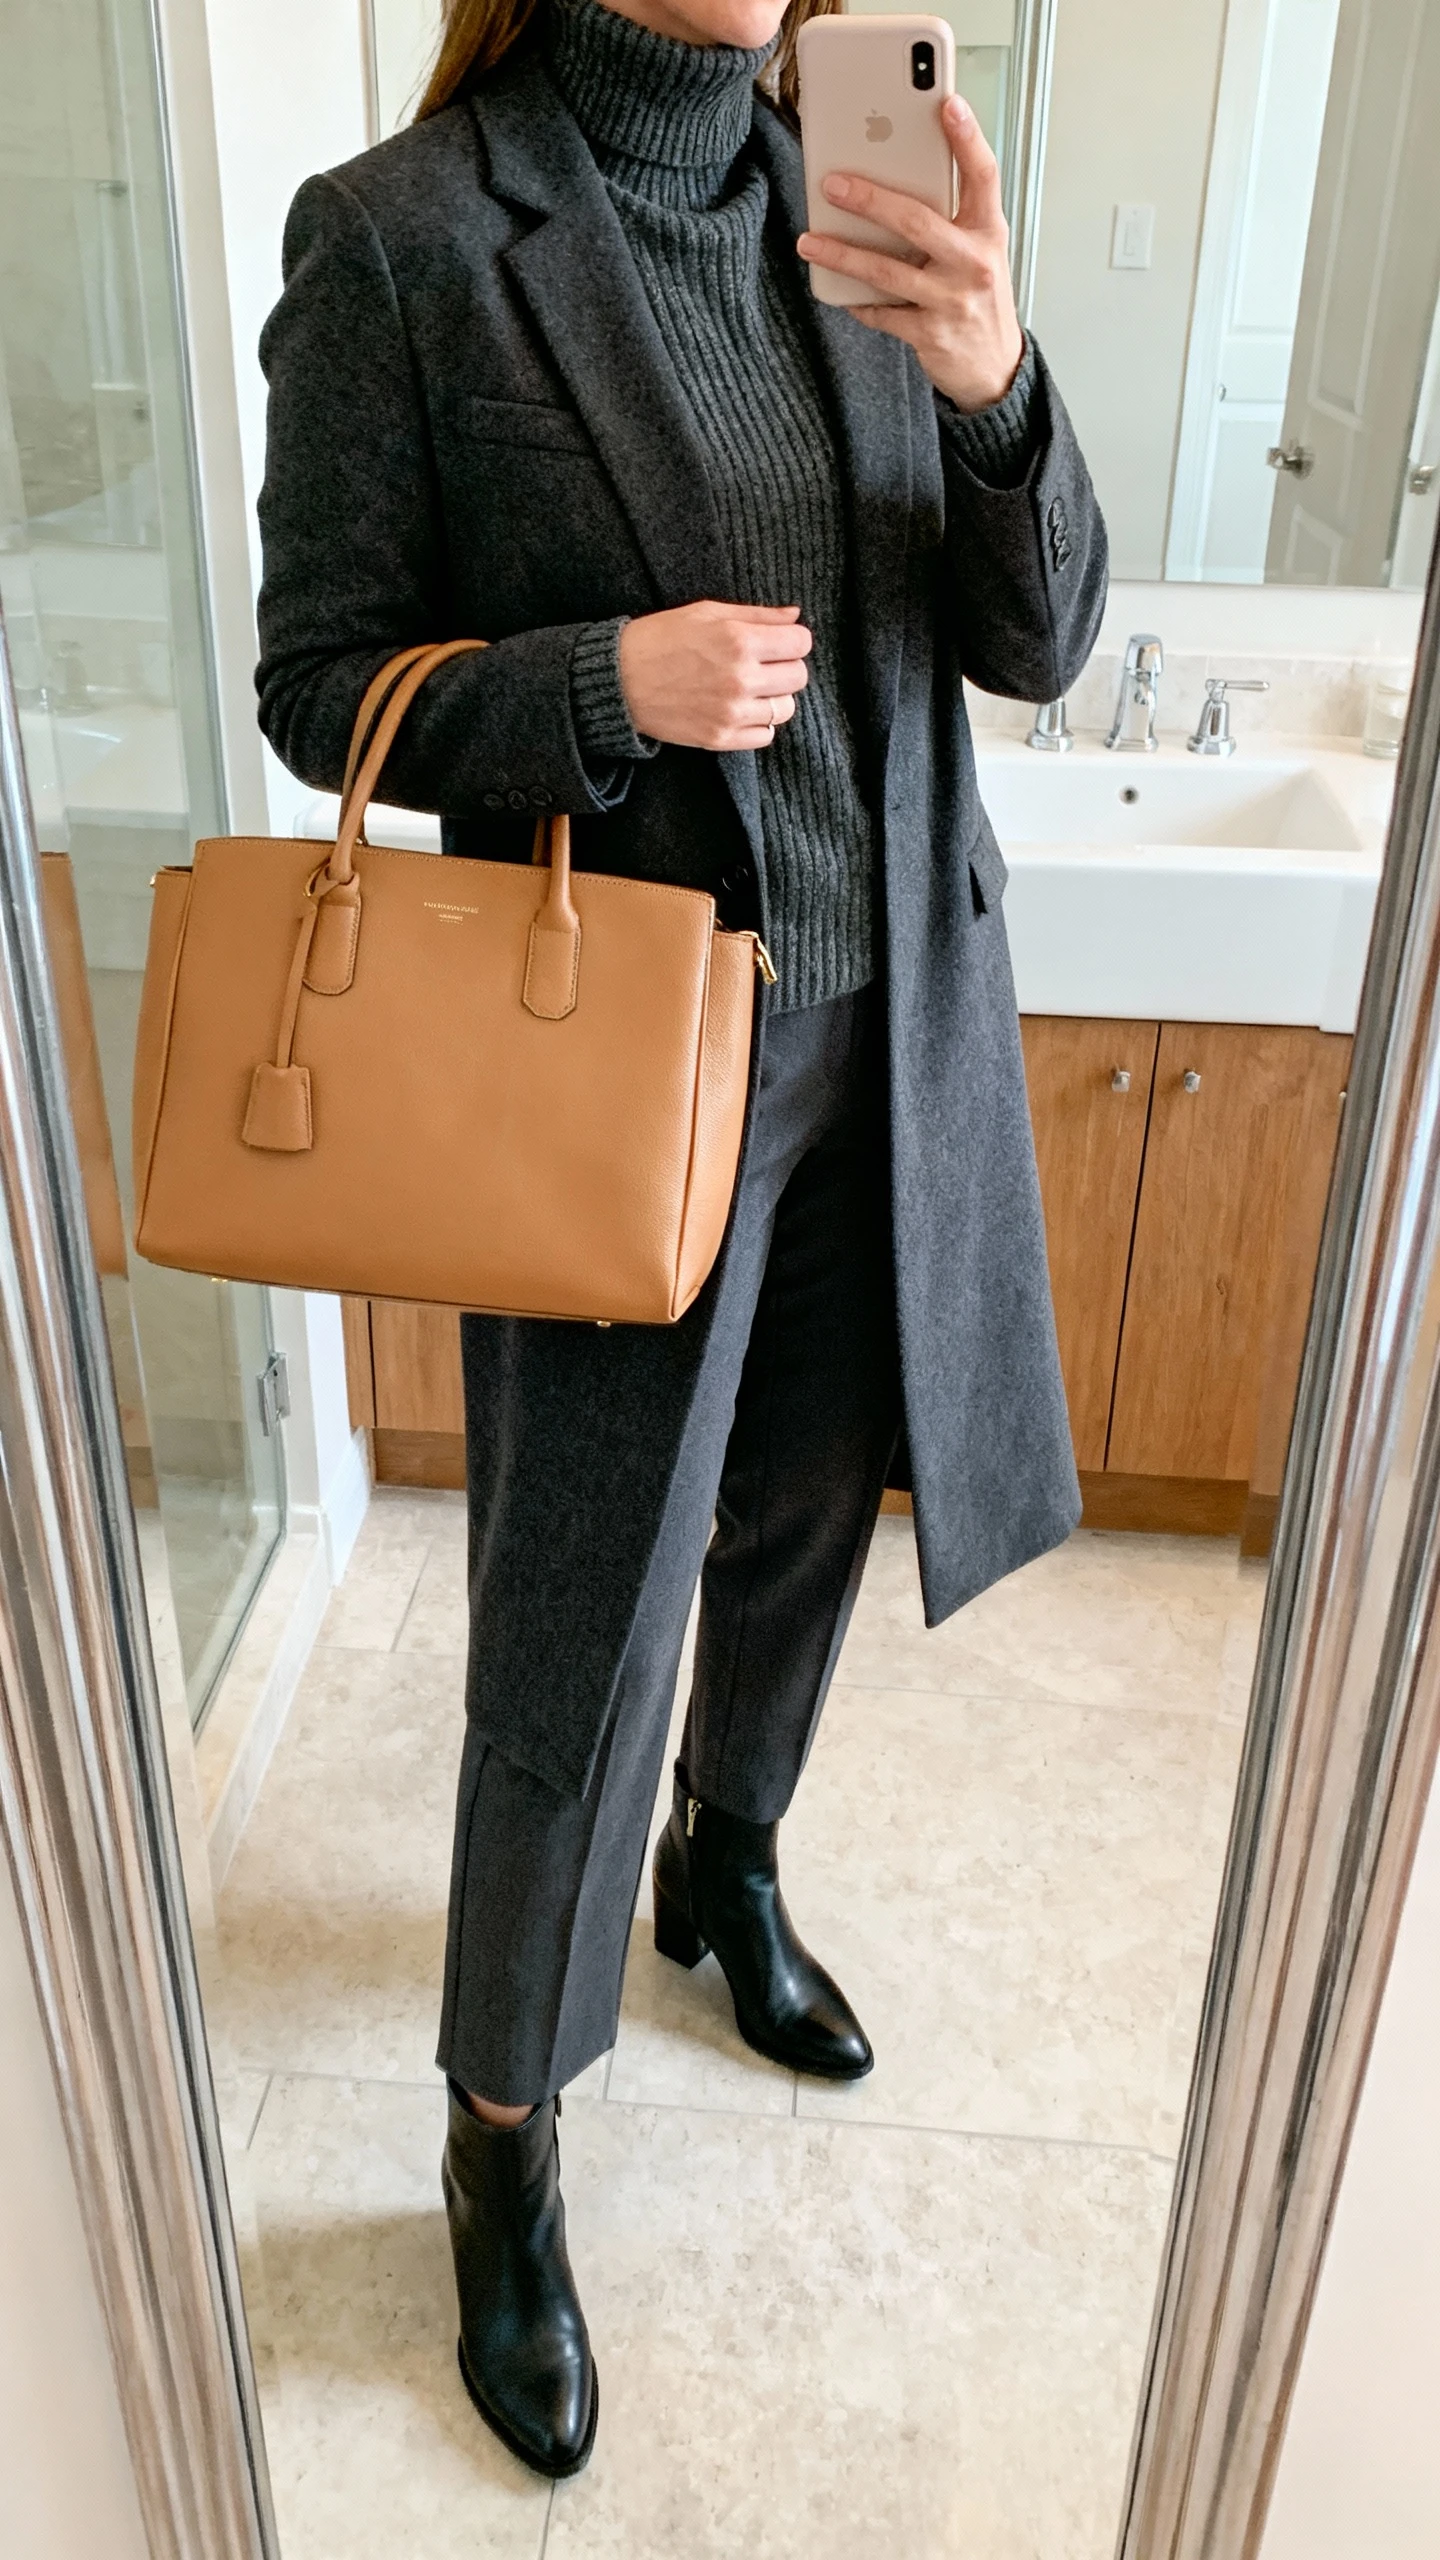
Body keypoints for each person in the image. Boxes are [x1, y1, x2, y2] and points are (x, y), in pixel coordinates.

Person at [255, 0, 1106, 2480]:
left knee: (809, 1521)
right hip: (619, 1063)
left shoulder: (859, 185)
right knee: (579, 1602)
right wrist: (594, 688)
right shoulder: (410, 236)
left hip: (891, 1037)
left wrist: (998, 369)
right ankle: (498, 2135)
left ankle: (728, 1865)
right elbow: (330, 691)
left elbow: (1032, 632)